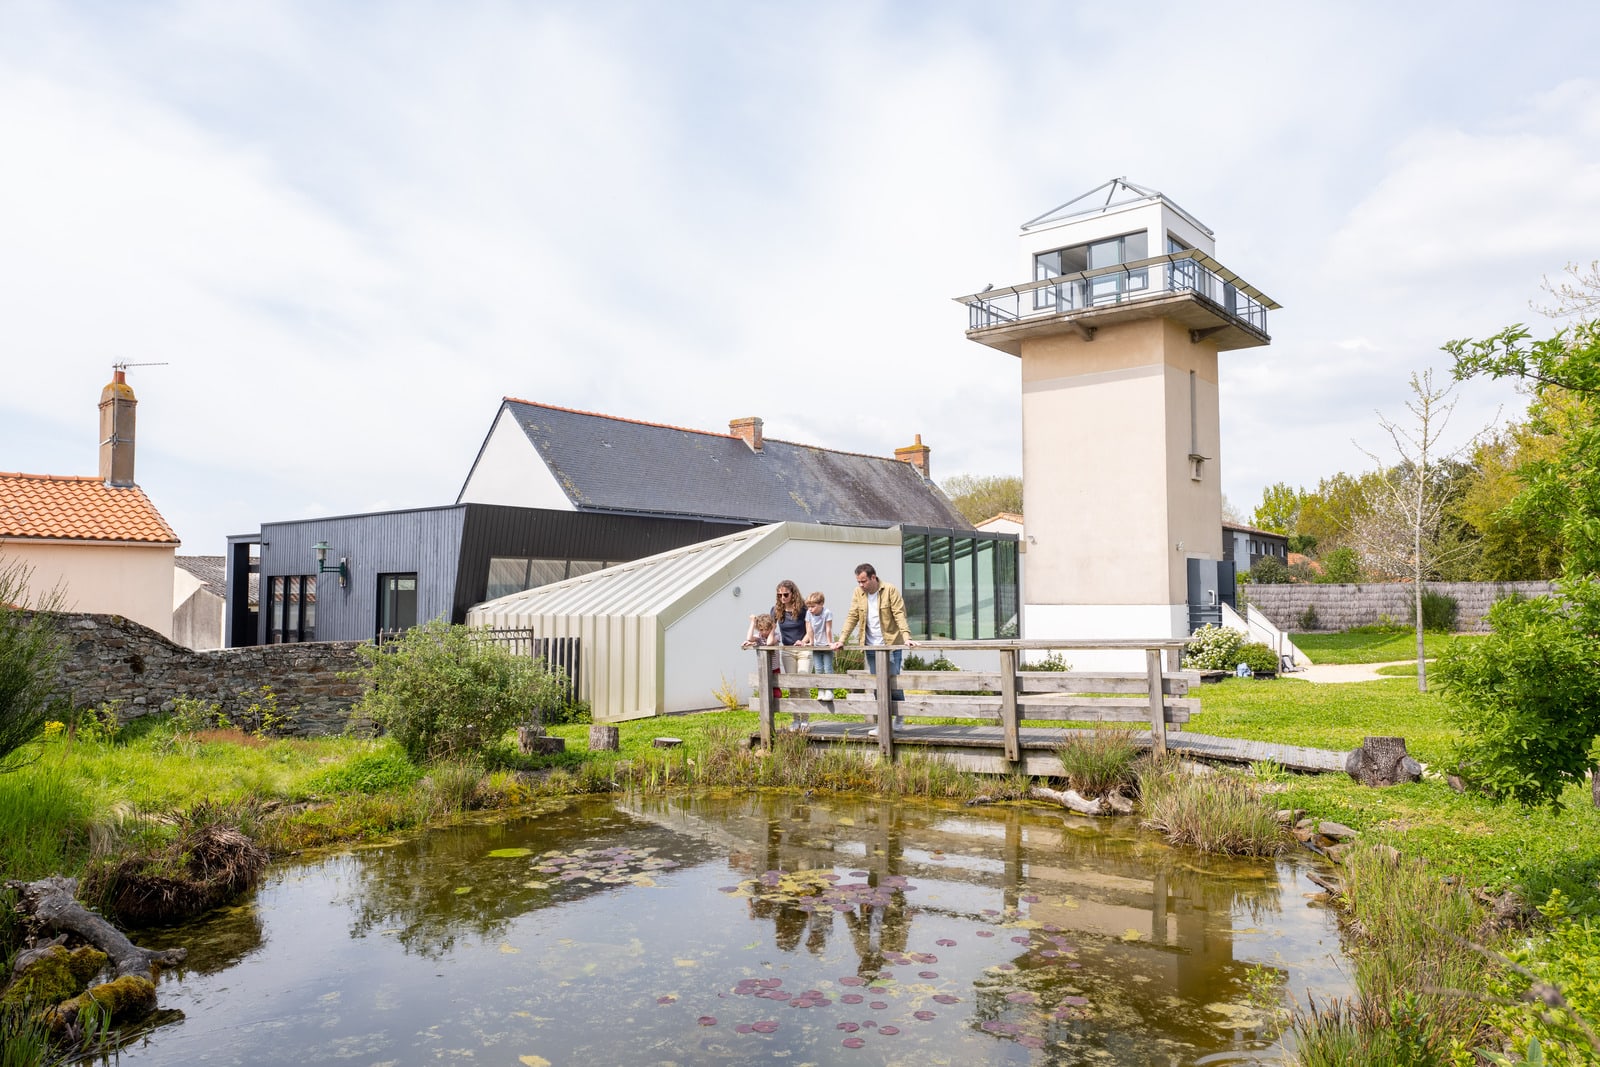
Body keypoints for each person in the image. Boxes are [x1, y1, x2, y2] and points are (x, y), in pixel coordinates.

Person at [833, 563, 913, 730]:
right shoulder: (858, 593)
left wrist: (906, 637)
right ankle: (882, 723)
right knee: (877, 685)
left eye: (864, 581)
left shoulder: (890, 590)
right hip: (871, 646)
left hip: (891, 644)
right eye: (858, 582)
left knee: (893, 682)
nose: (861, 585)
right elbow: (852, 616)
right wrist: (842, 639)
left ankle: (899, 717)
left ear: (873, 577)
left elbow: (899, 614)